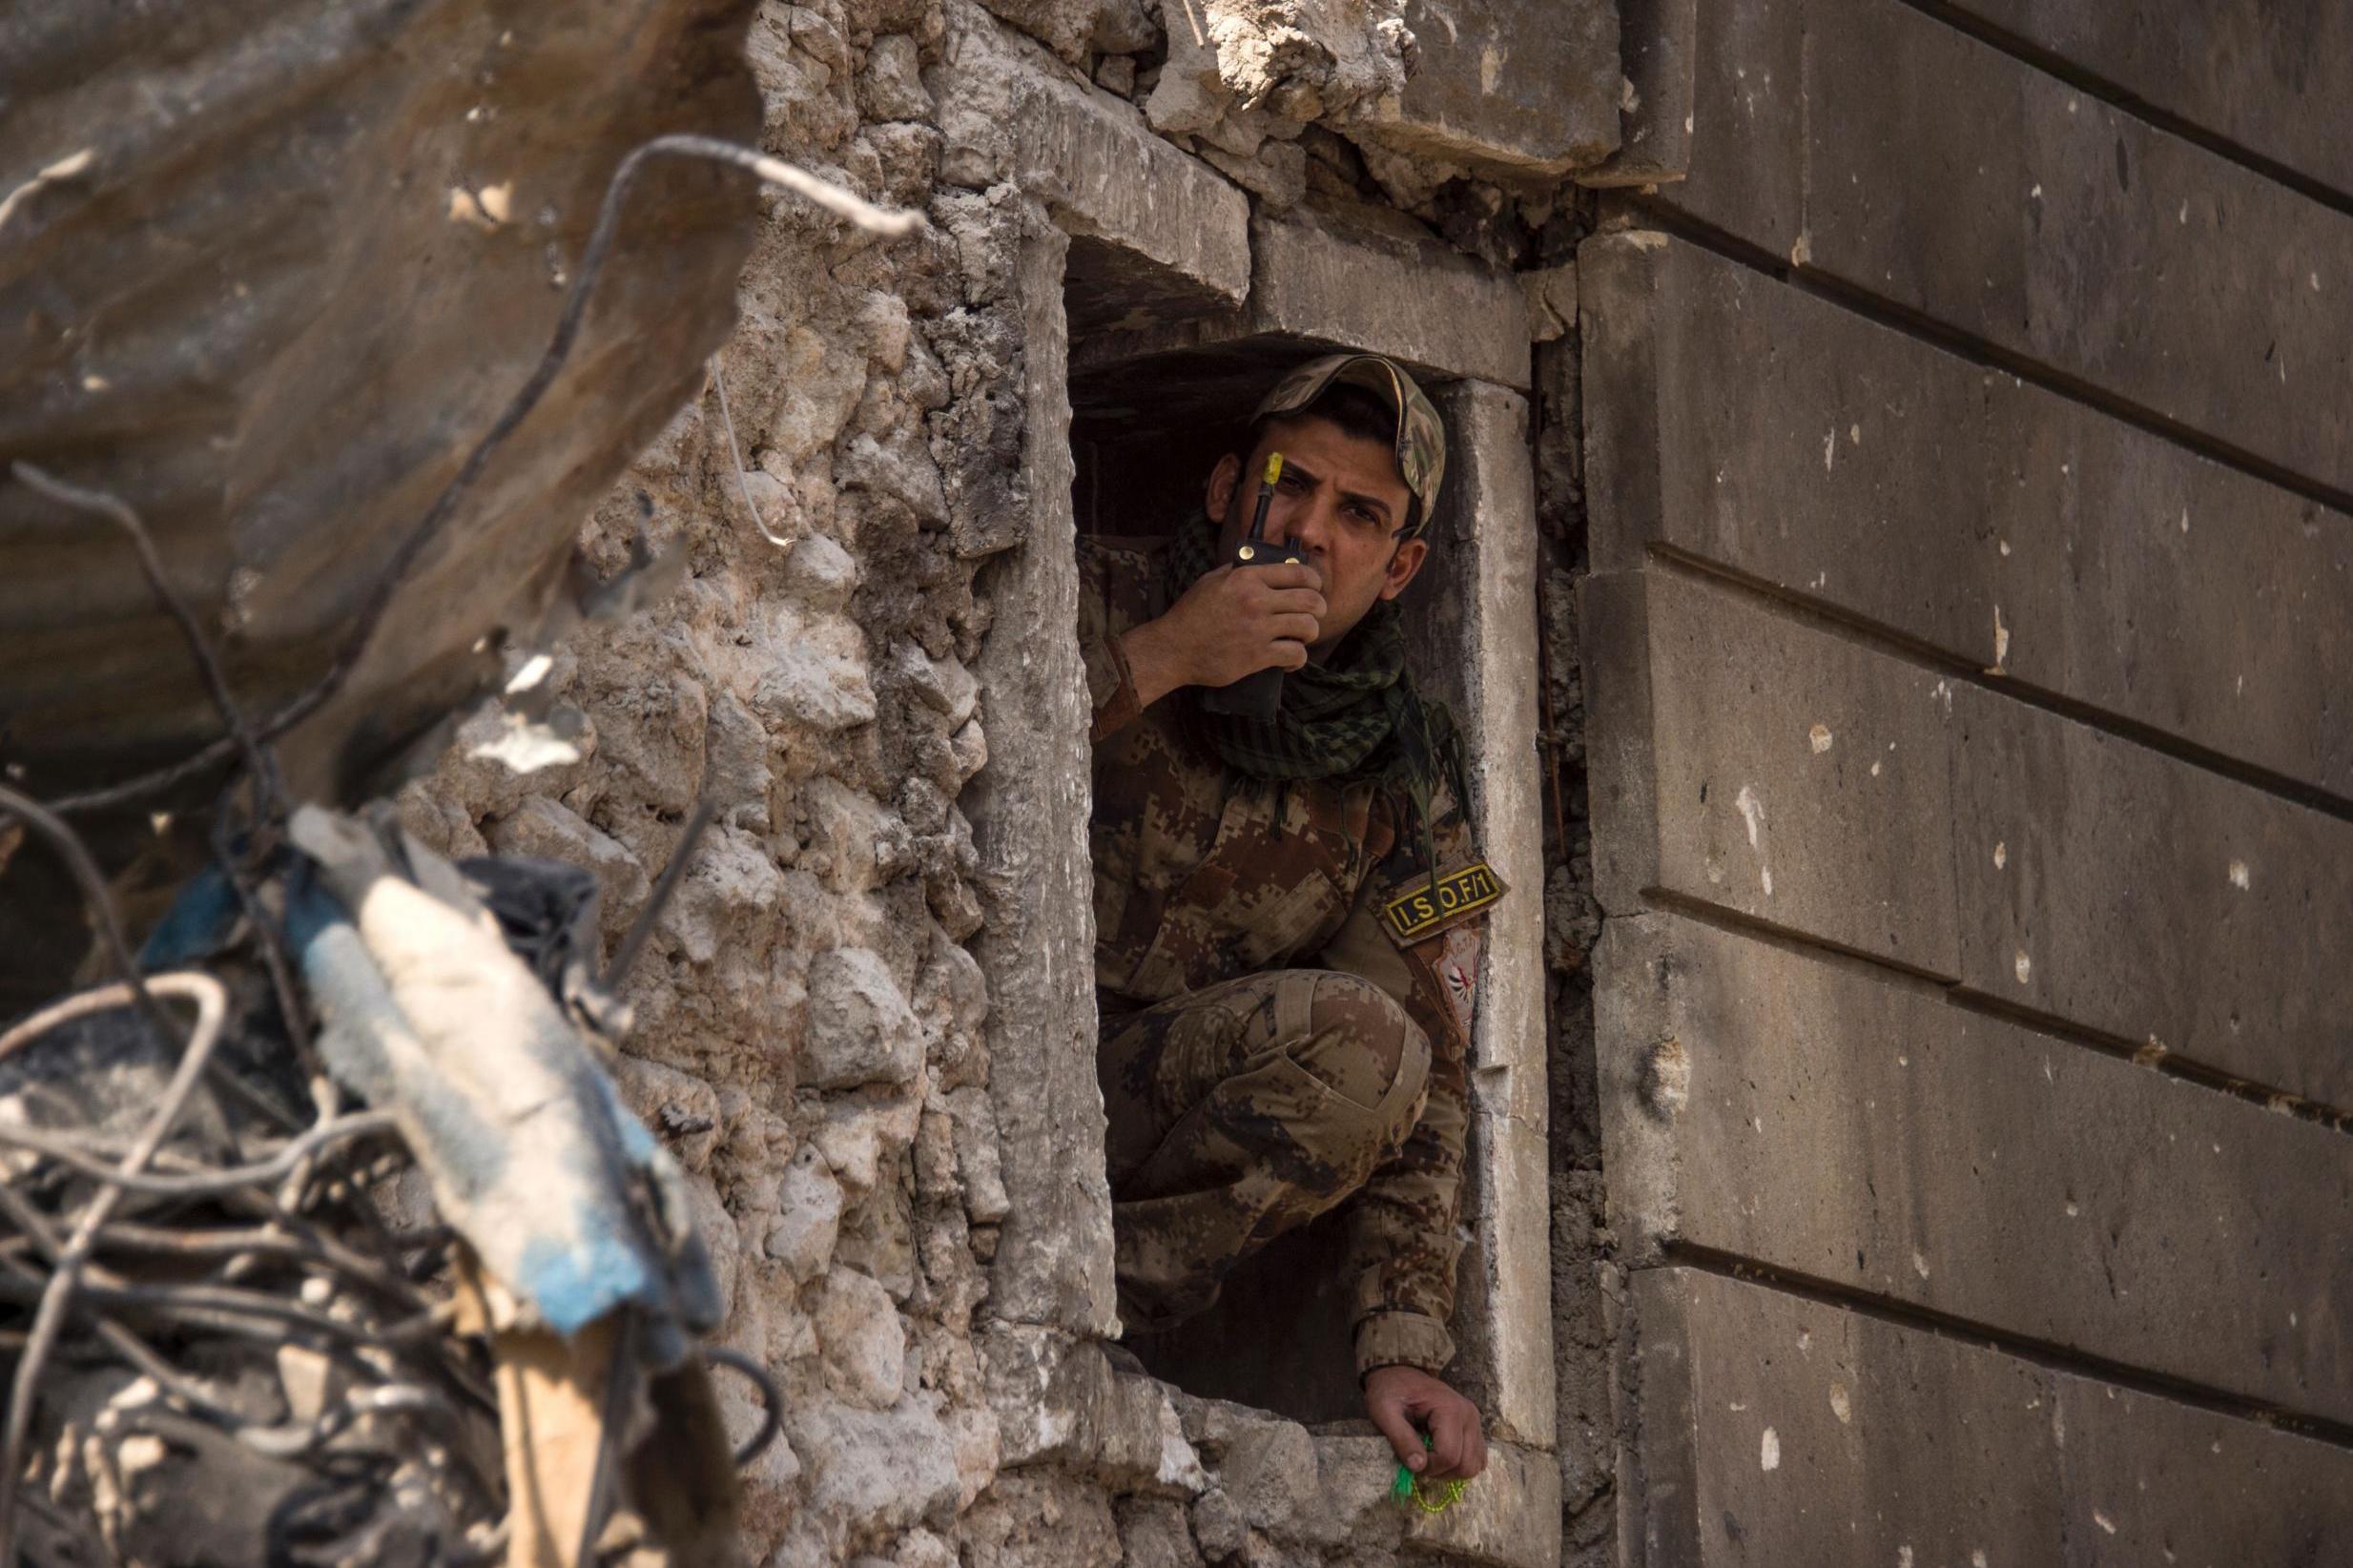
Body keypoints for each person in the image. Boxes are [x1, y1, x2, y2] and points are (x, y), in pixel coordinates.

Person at [1078, 353, 1499, 1485]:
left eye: (1358, 515)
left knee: (1374, 1048)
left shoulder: (1409, 774)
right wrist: (1165, 657)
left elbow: (1436, 1071)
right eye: (1289, 485)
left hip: (1131, 1117)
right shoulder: (1089, 598)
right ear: (1226, 491)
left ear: (1402, 566)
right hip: (958, 1067)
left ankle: (1087, 1305)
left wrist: (1405, 1341)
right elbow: (936, 745)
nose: (1311, 531)